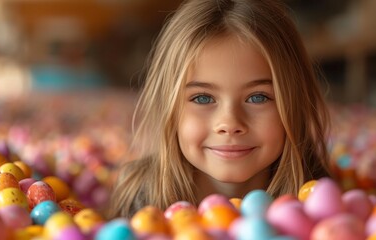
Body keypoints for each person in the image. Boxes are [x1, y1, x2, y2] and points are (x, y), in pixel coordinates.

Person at [107, 0, 331, 218]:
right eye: (203, 98)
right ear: (169, 108)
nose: (230, 123)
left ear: (296, 103)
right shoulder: (140, 201)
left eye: (258, 97)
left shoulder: (320, 203)